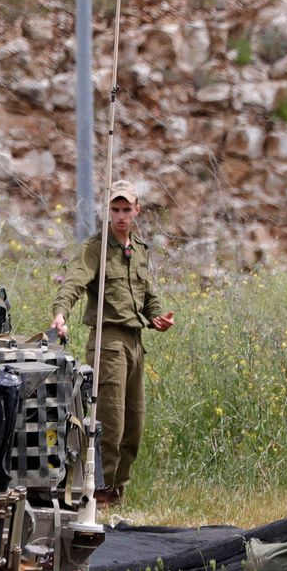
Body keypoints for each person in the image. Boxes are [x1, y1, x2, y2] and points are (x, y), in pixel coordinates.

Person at [49, 180, 175, 506]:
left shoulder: (139, 249)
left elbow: (147, 296)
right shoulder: (97, 247)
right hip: (108, 342)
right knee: (110, 422)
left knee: (134, 424)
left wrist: (157, 317)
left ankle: (117, 489)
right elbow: (74, 281)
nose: (120, 216)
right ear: (107, 211)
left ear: (137, 210)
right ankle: (99, 490)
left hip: (135, 342)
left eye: (126, 209)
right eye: (115, 209)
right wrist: (61, 313)